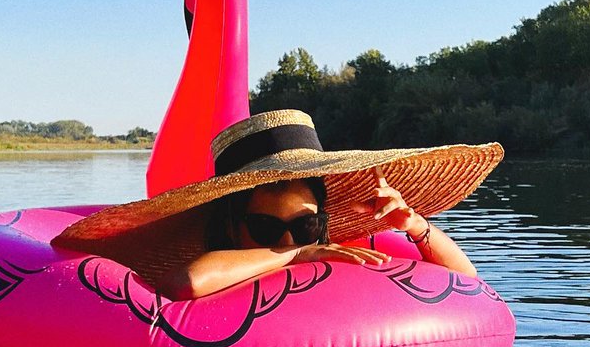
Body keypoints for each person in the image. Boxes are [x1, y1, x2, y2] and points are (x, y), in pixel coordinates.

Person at [53, 110, 504, 299]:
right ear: (233, 225)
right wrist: (296, 253)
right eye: (267, 229)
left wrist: (416, 226)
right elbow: (185, 283)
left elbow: (468, 286)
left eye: (304, 227)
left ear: (322, 221)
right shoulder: (220, 261)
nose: (288, 238)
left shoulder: (344, 252)